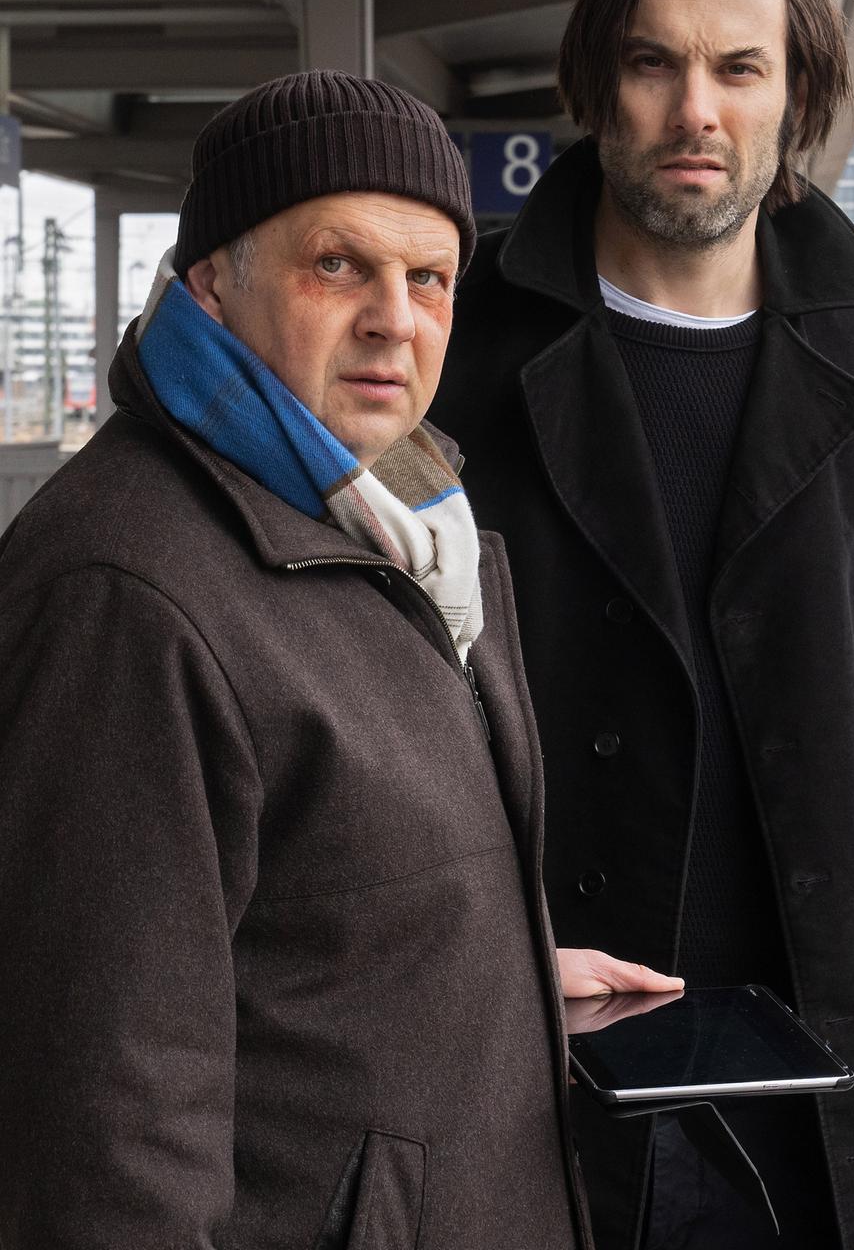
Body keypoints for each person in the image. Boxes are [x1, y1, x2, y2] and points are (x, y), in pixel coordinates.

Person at [429, 0, 854, 1250]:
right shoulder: (464, 351)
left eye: (739, 69)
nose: (696, 107)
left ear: (794, 97)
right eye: (653, 63)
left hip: (816, 1078)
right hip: (544, 1065)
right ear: (598, 88)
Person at [0, 70, 678, 1248]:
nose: (394, 318)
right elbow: (102, 1115)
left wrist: (500, 980)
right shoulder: (130, 593)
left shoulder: (396, 523)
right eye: (337, 264)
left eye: (428, 278)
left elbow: (303, 906)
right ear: (212, 280)